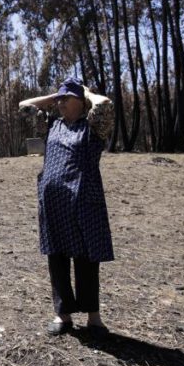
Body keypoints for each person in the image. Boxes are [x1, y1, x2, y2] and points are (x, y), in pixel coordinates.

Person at [19, 77, 115, 337]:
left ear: (81, 102)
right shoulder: (52, 125)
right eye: (59, 98)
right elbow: (24, 106)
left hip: (84, 202)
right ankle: (62, 315)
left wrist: (87, 93)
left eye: (66, 98)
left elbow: (105, 105)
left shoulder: (93, 127)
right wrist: (54, 97)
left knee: (87, 258)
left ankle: (94, 318)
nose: (61, 102)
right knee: (57, 257)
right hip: (54, 203)